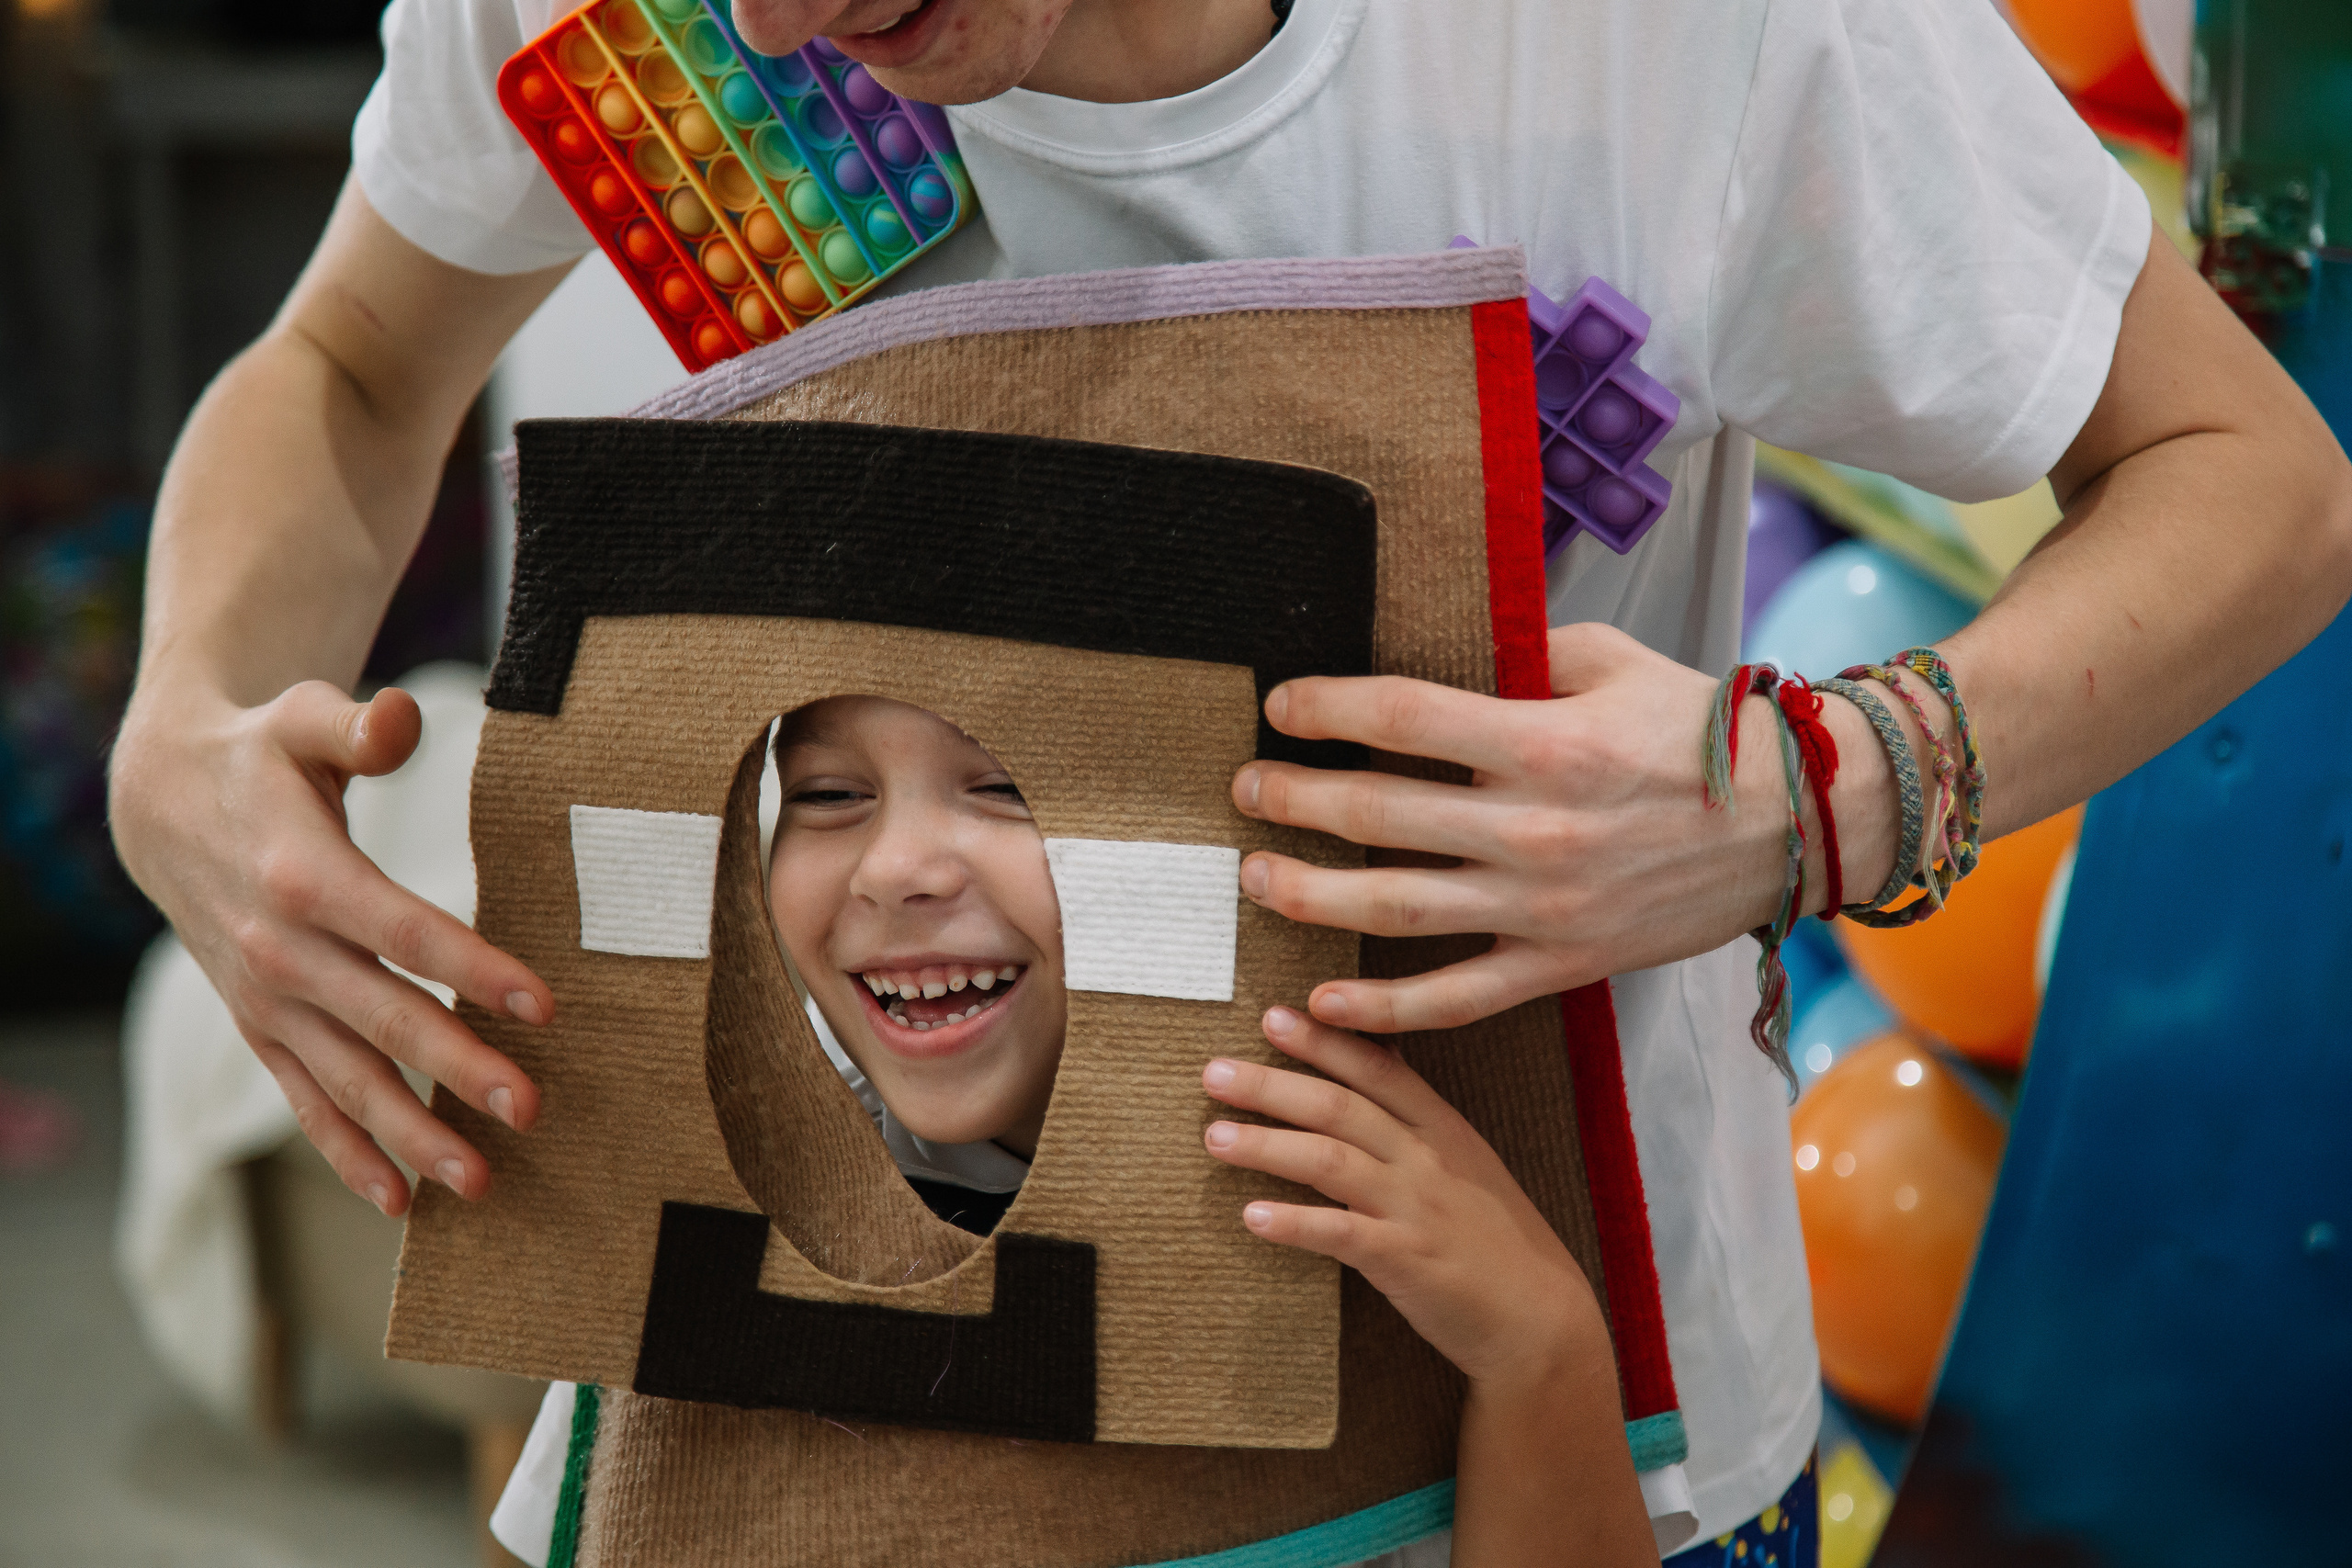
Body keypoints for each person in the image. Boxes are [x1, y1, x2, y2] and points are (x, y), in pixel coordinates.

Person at [106, 0, 2352, 1554]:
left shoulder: (1685, 42)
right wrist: (181, 727)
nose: (769, 28)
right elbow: (351, 363)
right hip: (812, 1434)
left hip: (1539, 1442)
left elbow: (2250, 480)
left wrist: (1814, 788)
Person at [489, 693, 1659, 1565]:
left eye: (1006, 785)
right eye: (830, 795)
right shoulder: (740, 1216)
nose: (896, 870)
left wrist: (1539, 1354)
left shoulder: (1401, 1232)